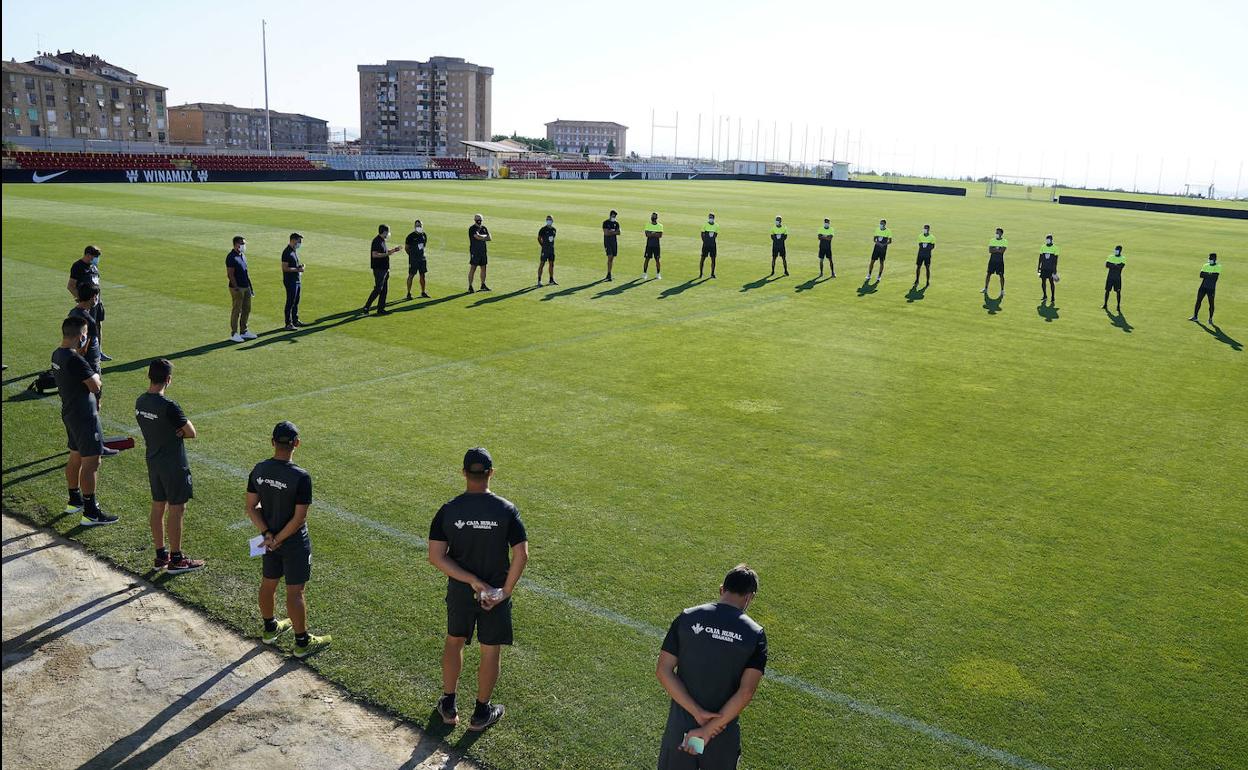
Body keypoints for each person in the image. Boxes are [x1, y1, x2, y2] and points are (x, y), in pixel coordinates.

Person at [427, 447, 529, 733]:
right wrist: (504, 591)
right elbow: (521, 555)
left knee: (454, 641)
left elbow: (436, 556)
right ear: (490, 473)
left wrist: (471, 581)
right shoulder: (506, 510)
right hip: (495, 595)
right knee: (490, 650)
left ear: (463, 473)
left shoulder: (449, 509)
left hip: (461, 592)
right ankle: (481, 713)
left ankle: (448, 706)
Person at [655, 564, 767, 770]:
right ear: (750, 597)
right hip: (720, 735)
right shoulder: (755, 634)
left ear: (722, 588)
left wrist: (697, 712)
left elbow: (663, 671)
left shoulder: (687, 617)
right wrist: (707, 731)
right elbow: (746, 692)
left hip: (682, 728)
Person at [246, 421, 331, 658]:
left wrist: (267, 535)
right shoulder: (300, 477)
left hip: (268, 539)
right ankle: (302, 642)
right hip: (293, 543)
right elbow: (299, 518)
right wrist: (280, 538)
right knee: (295, 592)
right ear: (297, 443)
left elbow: (251, 507)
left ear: (272, 442)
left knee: (268, 582)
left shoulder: (259, 469)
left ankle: (270, 628)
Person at [136, 358, 205, 574]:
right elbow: (191, 432)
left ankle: (160, 555)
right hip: (174, 464)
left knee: (158, 506)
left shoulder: (140, 401)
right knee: (177, 509)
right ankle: (176, 559)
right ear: (168, 379)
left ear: (150, 376)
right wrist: (177, 431)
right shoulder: (169, 406)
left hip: (153, 461)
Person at [53, 316, 117, 526]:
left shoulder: (57, 354)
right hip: (84, 416)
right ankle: (91, 512)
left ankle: (74, 500)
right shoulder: (76, 360)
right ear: (81, 336)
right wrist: (94, 373)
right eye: (86, 334)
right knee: (92, 462)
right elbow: (95, 385)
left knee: (75, 456)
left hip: (70, 412)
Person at [69, 245, 111, 361]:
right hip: (87, 303)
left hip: (97, 302)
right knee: (86, 328)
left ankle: (99, 351)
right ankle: (82, 353)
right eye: (95, 256)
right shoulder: (78, 266)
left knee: (98, 325)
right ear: (88, 255)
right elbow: (71, 286)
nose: (96, 259)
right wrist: (82, 299)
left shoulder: (93, 266)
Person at [365, 224, 401, 315]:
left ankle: (381, 309)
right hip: (379, 269)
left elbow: (384, 252)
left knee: (384, 290)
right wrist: (387, 254)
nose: (389, 233)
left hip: (384, 269)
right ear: (384, 232)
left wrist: (394, 250)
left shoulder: (382, 241)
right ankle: (366, 307)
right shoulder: (376, 241)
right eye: (388, 231)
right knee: (378, 289)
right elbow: (375, 254)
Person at [226, 236, 256, 343]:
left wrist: (250, 287)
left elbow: (246, 273)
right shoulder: (231, 257)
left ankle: (244, 331)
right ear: (236, 244)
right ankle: (234, 333)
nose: (244, 245)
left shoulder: (242, 256)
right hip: (237, 288)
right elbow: (230, 274)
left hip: (246, 286)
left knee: (247, 309)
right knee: (236, 310)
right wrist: (236, 287)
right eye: (242, 243)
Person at [68, 283, 102, 376]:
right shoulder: (88, 320)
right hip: (90, 364)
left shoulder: (72, 313)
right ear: (93, 297)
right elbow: (83, 349)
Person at [281, 233, 305, 330]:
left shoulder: (293, 251)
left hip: (296, 280)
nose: (300, 243)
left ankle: (295, 320)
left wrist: (299, 267)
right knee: (290, 302)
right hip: (290, 281)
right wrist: (298, 270)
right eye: (299, 240)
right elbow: (285, 268)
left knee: (296, 301)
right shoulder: (287, 252)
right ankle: (288, 323)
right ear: (293, 240)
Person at [1190, 253, 1222, 323]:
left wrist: (1207, 274)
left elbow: (1215, 276)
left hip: (1211, 288)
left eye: (1211, 259)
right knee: (1198, 301)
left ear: (1215, 259)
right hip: (1203, 287)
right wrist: (1210, 274)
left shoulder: (1218, 266)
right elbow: (1201, 275)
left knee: (1211, 303)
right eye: (1209, 258)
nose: (1210, 260)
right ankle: (1195, 316)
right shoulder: (1205, 265)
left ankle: (1210, 319)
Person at [405, 219, 430, 300]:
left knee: (422, 275)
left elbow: (423, 246)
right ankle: (408, 293)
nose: (418, 227)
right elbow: (406, 248)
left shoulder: (424, 235)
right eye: (417, 225)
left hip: (422, 259)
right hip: (414, 259)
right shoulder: (410, 236)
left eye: (420, 225)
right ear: (414, 226)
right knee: (411, 275)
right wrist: (412, 255)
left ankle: (423, 292)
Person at [468, 214, 492, 293]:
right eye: (477, 220)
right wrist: (484, 237)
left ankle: (483, 284)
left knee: (484, 268)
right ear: (475, 220)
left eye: (480, 220)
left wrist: (481, 236)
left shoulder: (484, 228)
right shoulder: (472, 228)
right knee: (473, 268)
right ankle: (470, 286)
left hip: (483, 251)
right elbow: (476, 237)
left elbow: (490, 238)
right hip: (475, 251)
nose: (479, 221)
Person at [984, 228, 1008, 296]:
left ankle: (1002, 290)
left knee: (1001, 276)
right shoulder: (992, 240)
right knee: (988, 274)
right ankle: (985, 288)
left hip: (999, 261)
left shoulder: (1004, 241)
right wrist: (998, 249)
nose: (996, 234)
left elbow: (1002, 251)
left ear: (1001, 234)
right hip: (992, 260)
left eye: (997, 233)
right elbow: (990, 251)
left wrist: (995, 249)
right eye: (996, 232)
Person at [1038, 234, 1060, 304]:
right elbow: (1040, 257)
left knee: (1051, 283)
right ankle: (1044, 295)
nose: (1047, 240)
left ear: (1051, 240)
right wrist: (1039, 266)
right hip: (1044, 268)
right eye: (1047, 239)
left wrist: (1055, 269)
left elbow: (1056, 260)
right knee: (1043, 282)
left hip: (1050, 268)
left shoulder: (1055, 248)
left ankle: (1053, 297)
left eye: (1049, 239)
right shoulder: (1043, 247)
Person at [537, 215, 558, 287]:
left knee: (551, 264)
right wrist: (542, 245)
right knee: (542, 264)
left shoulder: (554, 229)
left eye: (550, 219)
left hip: (551, 250)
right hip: (545, 250)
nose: (549, 220)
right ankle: (539, 281)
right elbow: (539, 238)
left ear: (552, 220)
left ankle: (551, 280)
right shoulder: (542, 229)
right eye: (547, 219)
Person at [1103, 245, 1126, 312]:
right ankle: (1105, 304)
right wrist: (1116, 265)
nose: (1116, 251)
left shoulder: (1123, 258)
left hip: (1117, 278)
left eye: (1117, 250)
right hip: (1110, 277)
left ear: (1120, 251)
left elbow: (1120, 267)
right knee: (1107, 291)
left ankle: (1118, 306)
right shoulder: (1110, 256)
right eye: (1115, 250)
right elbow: (1107, 265)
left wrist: (1112, 265)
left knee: (1118, 292)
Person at [643, 212, 664, 280]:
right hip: (649, 245)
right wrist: (655, 234)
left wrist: (652, 233)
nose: (653, 218)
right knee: (647, 259)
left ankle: (658, 274)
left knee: (657, 260)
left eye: (654, 216)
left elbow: (660, 235)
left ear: (656, 218)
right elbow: (647, 235)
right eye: (652, 216)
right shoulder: (647, 225)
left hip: (656, 246)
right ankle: (644, 273)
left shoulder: (660, 226)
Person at [602, 210, 621, 281]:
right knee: (609, 257)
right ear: (610, 215)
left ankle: (609, 274)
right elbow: (606, 233)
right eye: (613, 216)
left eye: (615, 216)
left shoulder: (616, 223)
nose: (614, 217)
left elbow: (619, 232)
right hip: (607, 242)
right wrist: (614, 232)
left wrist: (611, 231)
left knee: (612, 258)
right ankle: (608, 274)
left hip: (614, 242)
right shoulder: (605, 223)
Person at [699, 213, 720, 279]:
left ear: (714, 218)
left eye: (711, 217)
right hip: (705, 245)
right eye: (709, 217)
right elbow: (702, 234)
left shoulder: (716, 225)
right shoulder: (705, 224)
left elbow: (716, 234)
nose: (710, 218)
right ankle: (701, 274)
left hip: (713, 245)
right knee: (702, 259)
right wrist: (705, 242)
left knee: (713, 259)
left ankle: (712, 274)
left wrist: (711, 241)